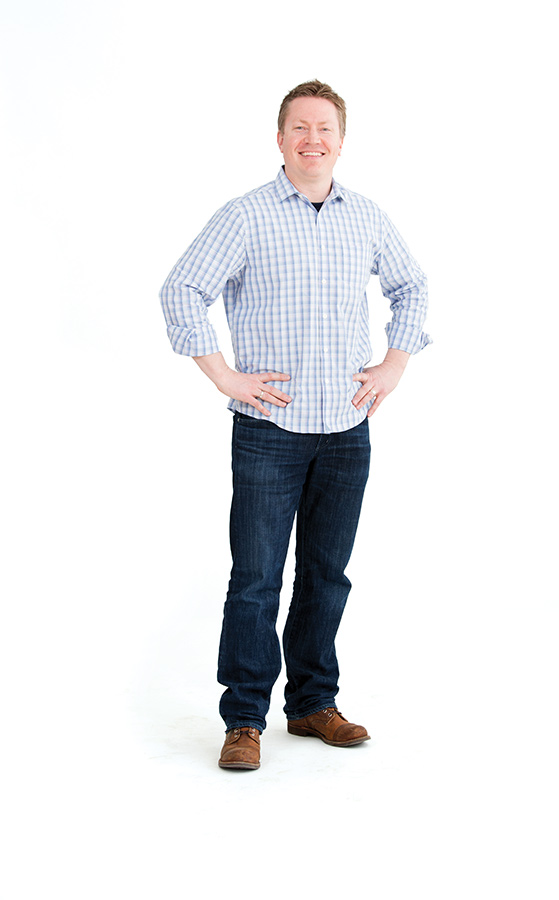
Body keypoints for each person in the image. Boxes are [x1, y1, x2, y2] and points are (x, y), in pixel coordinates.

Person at [159, 80, 430, 770]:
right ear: (279, 139)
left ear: (342, 140)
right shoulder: (245, 216)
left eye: (326, 129)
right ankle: (244, 718)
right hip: (267, 431)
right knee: (255, 577)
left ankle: (312, 704)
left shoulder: (365, 217)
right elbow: (182, 287)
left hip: (346, 428)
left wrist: (394, 364)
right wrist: (224, 376)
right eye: (300, 128)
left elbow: (412, 286)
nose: (313, 139)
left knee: (326, 573)